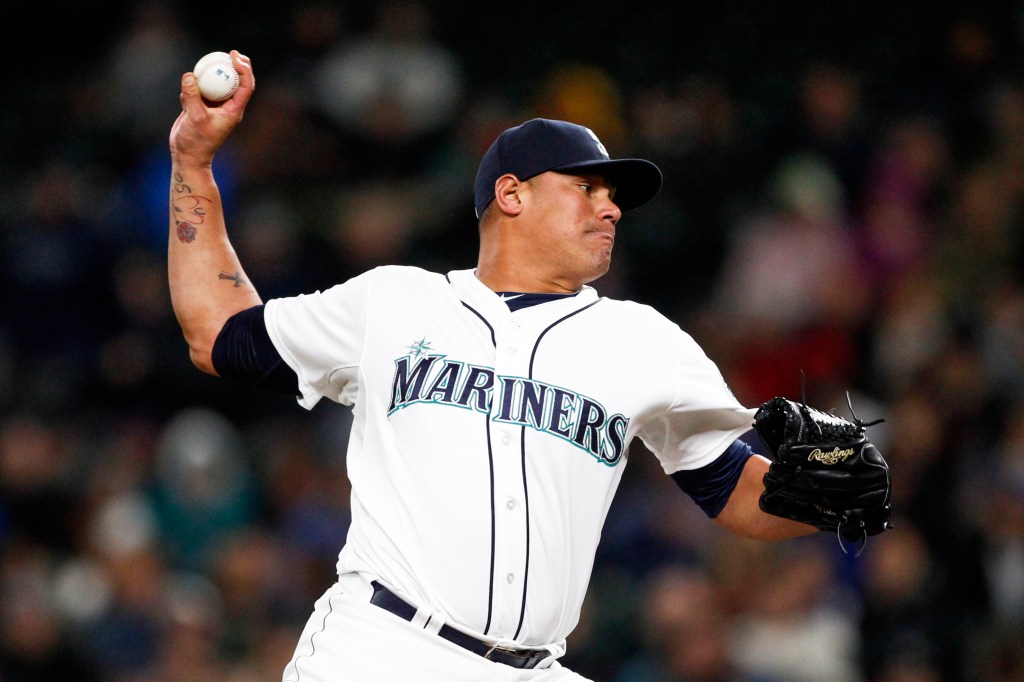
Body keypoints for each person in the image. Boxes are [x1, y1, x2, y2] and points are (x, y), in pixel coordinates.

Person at [168, 51, 817, 682]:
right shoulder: (396, 302)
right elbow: (218, 333)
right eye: (586, 188)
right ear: (512, 194)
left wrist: (823, 494)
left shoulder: (643, 340)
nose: (611, 207)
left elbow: (735, 490)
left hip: (534, 665)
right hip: (384, 649)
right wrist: (194, 161)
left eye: (613, 195)